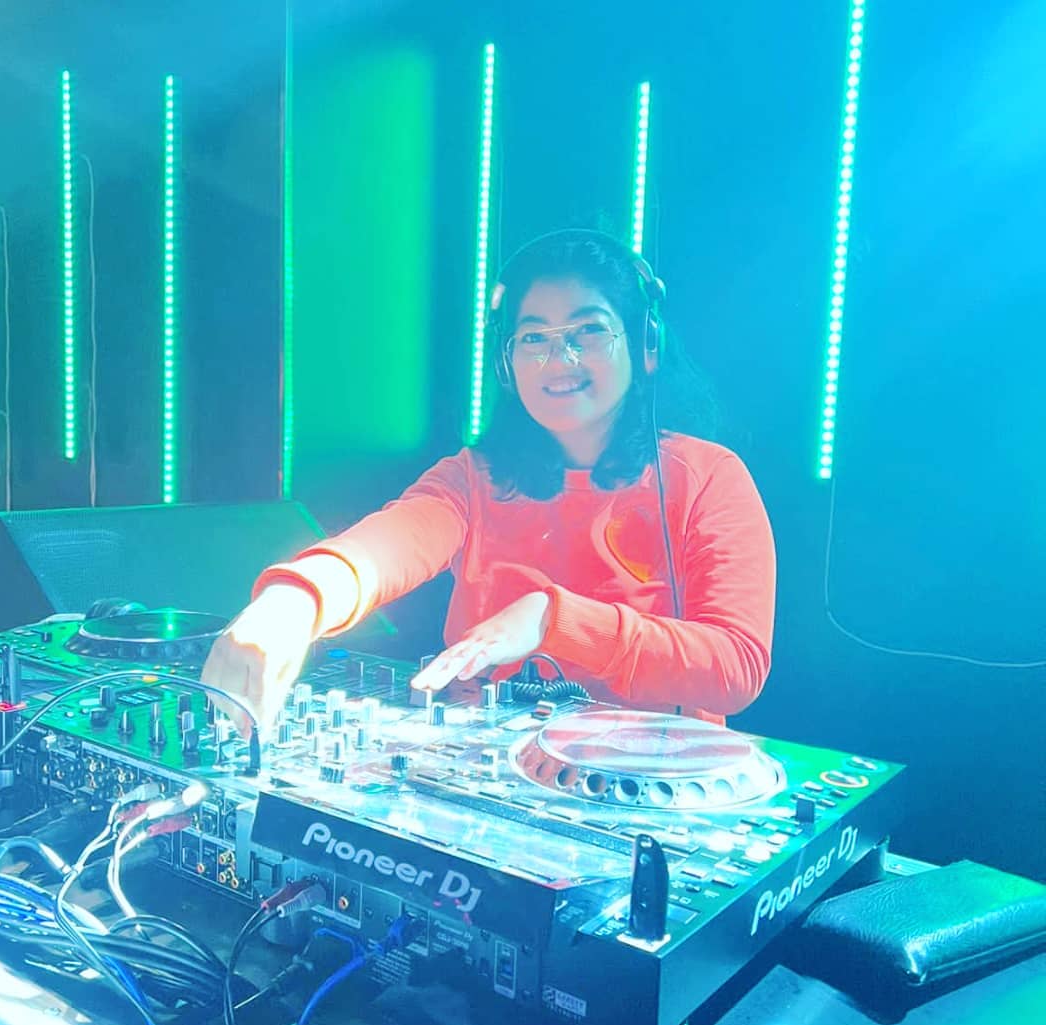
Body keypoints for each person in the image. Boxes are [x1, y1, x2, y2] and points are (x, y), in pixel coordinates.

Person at [201, 229, 776, 736]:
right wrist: (295, 599)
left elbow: (736, 667)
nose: (560, 359)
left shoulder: (708, 476)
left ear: (645, 345)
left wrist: (551, 620)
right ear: (506, 362)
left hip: (653, 788)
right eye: (534, 338)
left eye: (589, 331)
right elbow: (389, 543)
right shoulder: (473, 477)